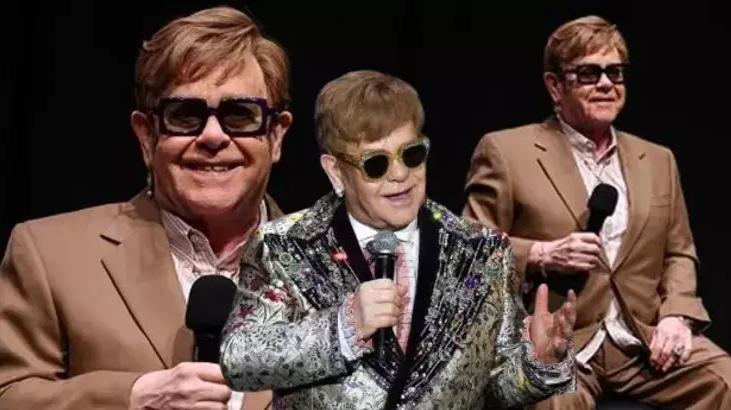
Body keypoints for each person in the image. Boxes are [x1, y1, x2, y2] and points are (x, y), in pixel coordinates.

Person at [219, 70, 576, 409]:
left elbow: (496, 386)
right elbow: (238, 360)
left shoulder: (482, 250)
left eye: (412, 155)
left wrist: (540, 363)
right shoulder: (284, 246)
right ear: (336, 172)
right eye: (376, 164)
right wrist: (341, 328)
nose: (401, 175)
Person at [0, 6, 292, 409]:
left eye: (239, 115)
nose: (213, 136)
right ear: (146, 135)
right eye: (185, 115)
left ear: (276, 136)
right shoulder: (49, 255)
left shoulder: (345, 273)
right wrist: (134, 398)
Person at [463, 15, 731, 409]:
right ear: (555, 86)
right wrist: (541, 254)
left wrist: (677, 316)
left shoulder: (658, 160)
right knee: (553, 404)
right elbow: (469, 249)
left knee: (726, 381)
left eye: (615, 72)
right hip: (557, 339)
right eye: (589, 73)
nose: (606, 84)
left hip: (640, 339)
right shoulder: (507, 151)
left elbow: (679, 253)